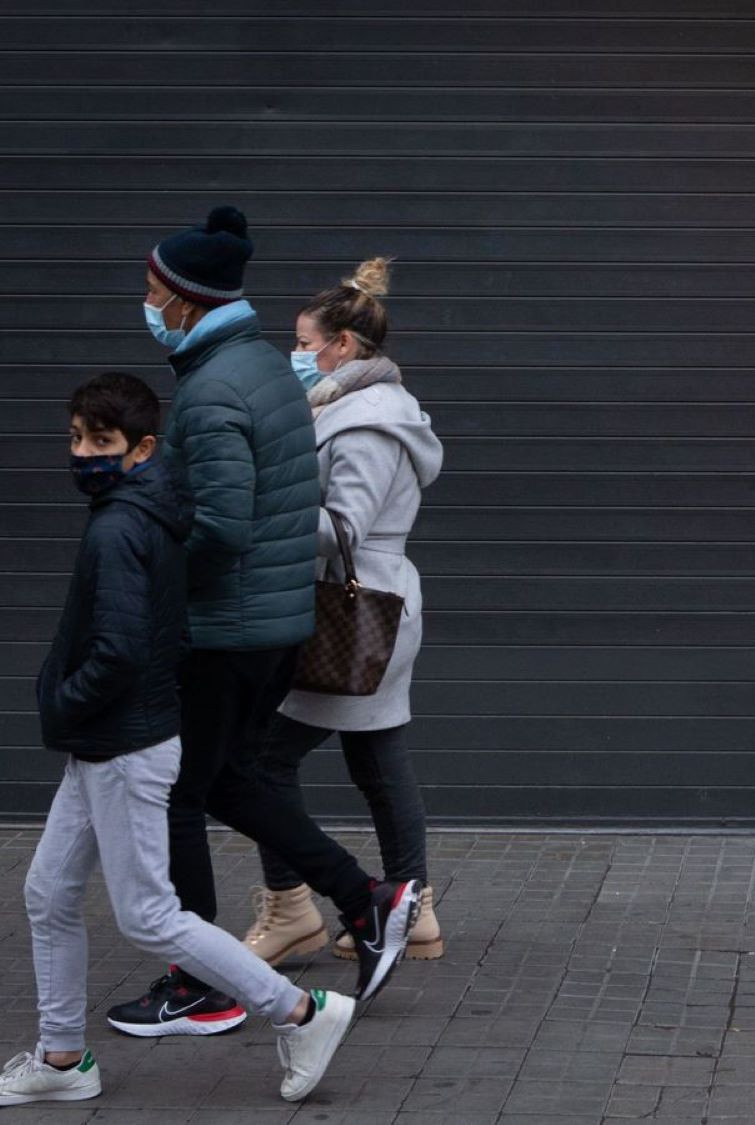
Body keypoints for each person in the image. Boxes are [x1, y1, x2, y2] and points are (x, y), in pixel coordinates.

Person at [108, 208, 422, 1037]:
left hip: (226, 626)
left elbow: (219, 525)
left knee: (182, 791)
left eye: (153, 291)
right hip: (269, 620)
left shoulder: (213, 389)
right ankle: (368, 896)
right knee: (232, 777)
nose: (146, 304)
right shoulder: (258, 368)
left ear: (185, 299)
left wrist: (145, 567)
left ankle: (202, 981)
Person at [1, 375, 354, 1107]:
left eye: (102, 441)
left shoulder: (118, 525)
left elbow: (121, 650)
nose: (84, 453)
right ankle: (64, 1058)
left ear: (143, 447)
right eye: (76, 437)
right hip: (115, 738)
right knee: (48, 892)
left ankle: (301, 1010)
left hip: (123, 745)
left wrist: (59, 700)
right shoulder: (146, 509)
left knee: (150, 914)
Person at [241, 259, 445, 965]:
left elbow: (344, 528)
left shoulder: (369, 421)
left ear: (344, 347)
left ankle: (292, 905)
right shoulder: (341, 404)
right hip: (367, 606)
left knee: (260, 760)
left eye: (304, 342)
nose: (294, 354)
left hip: (353, 610)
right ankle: (409, 908)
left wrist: (262, 508)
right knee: (378, 763)